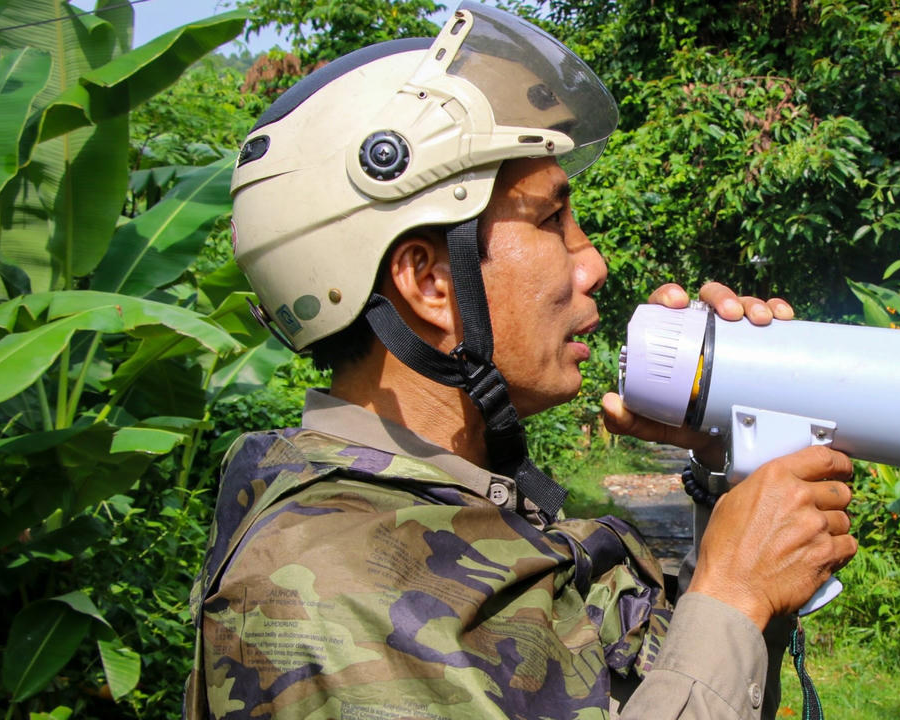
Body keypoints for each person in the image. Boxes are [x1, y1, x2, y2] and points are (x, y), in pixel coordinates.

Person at [185, 4, 856, 719]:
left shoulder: (464, 510)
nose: (593, 263)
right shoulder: (322, 589)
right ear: (432, 284)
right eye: (550, 222)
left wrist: (739, 507)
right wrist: (731, 597)